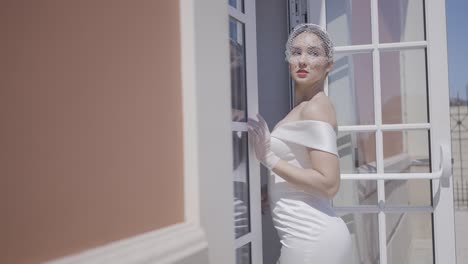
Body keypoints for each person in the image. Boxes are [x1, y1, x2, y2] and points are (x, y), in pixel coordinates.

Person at [247, 23, 352, 264]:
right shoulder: (303, 108)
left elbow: (328, 184)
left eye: (313, 53)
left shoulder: (316, 106)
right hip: (312, 240)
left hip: (311, 241)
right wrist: (272, 189)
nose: (303, 60)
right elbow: (302, 166)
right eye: (296, 52)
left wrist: (270, 160)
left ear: (329, 66)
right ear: (289, 61)